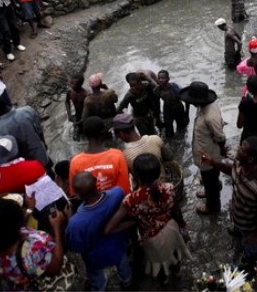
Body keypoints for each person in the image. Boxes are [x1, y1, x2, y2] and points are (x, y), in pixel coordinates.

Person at [104, 153, 191, 281]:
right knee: (174, 252)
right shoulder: (169, 188)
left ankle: (164, 279)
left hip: (151, 238)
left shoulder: (131, 200)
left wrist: (134, 221)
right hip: (171, 229)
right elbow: (176, 212)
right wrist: (183, 227)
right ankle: (177, 272)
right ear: (158, 172)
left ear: (136, 176)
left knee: (159, 261)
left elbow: (109, 229)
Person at [202, 136, 257, 269]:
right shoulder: (240, 163)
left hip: (250, 225)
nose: (238, 149)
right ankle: (238, 230)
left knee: (251, 245)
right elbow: (231, 170)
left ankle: (249, 261)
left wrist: (255, 234)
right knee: (239, 228)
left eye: (242, 149)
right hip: (238, 214)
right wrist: (212, 162)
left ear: (251, 159)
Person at [0, 195, 67, 291]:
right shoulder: (33, 250)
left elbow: (4, 228)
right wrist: (57, 228)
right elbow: (56, 268)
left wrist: (30, 209)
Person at [66, 171, 131, 291]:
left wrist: (69, 217)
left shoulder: (75, 223)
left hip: (95, 257)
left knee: (96, 276)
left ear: (77, 195)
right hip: (118, 246)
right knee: (123, 264)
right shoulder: (117, 193)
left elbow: (76, 247)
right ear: (96, 181)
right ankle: (127, 281)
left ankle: (99, 288)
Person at [180, 81, 225, 214]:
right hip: (205, 147)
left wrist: (222, 150)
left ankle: (213, 205)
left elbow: (220, 137)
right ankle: (215, 186)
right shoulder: (204, 106)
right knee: (210, 176)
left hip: (209, 153)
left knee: (209, 175)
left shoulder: (210, 116)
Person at [0, 94, 53, 173]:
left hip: (26, 164)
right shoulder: (27, 110)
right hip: (41, 153)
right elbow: (39, 130)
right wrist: (43, 144)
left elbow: (7, 152)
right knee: (49, 172)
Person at [68, 116, 130, 195]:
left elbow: (75, 194)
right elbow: (125, 189)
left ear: (86, 135)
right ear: (103, 134)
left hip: (91, 206)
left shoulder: (75, 162)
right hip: (118, 205)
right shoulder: (117, 155)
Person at [153, 70, 188, 138]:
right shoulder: (157, 90)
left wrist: (186, 113)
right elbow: (156, 105)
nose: (161, 80)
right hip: (167, 109)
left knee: (181, 127)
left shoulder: (175, 87)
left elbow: (186, 98)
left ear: (168, 79)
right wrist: (158, 119)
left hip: (178, 107)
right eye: (159, 78)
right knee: (169, 132)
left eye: (163, 78)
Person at [65, 74, 88, 141]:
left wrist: (84, 118)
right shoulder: (70, 91)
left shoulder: (86, 94)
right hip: (77, 117)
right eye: (71, 83)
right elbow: (66, 102)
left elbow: (91, 108)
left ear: (79, 85)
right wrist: (69, 115)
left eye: (73, 84)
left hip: (86, 117)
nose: (71, 85)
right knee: (75, 138)